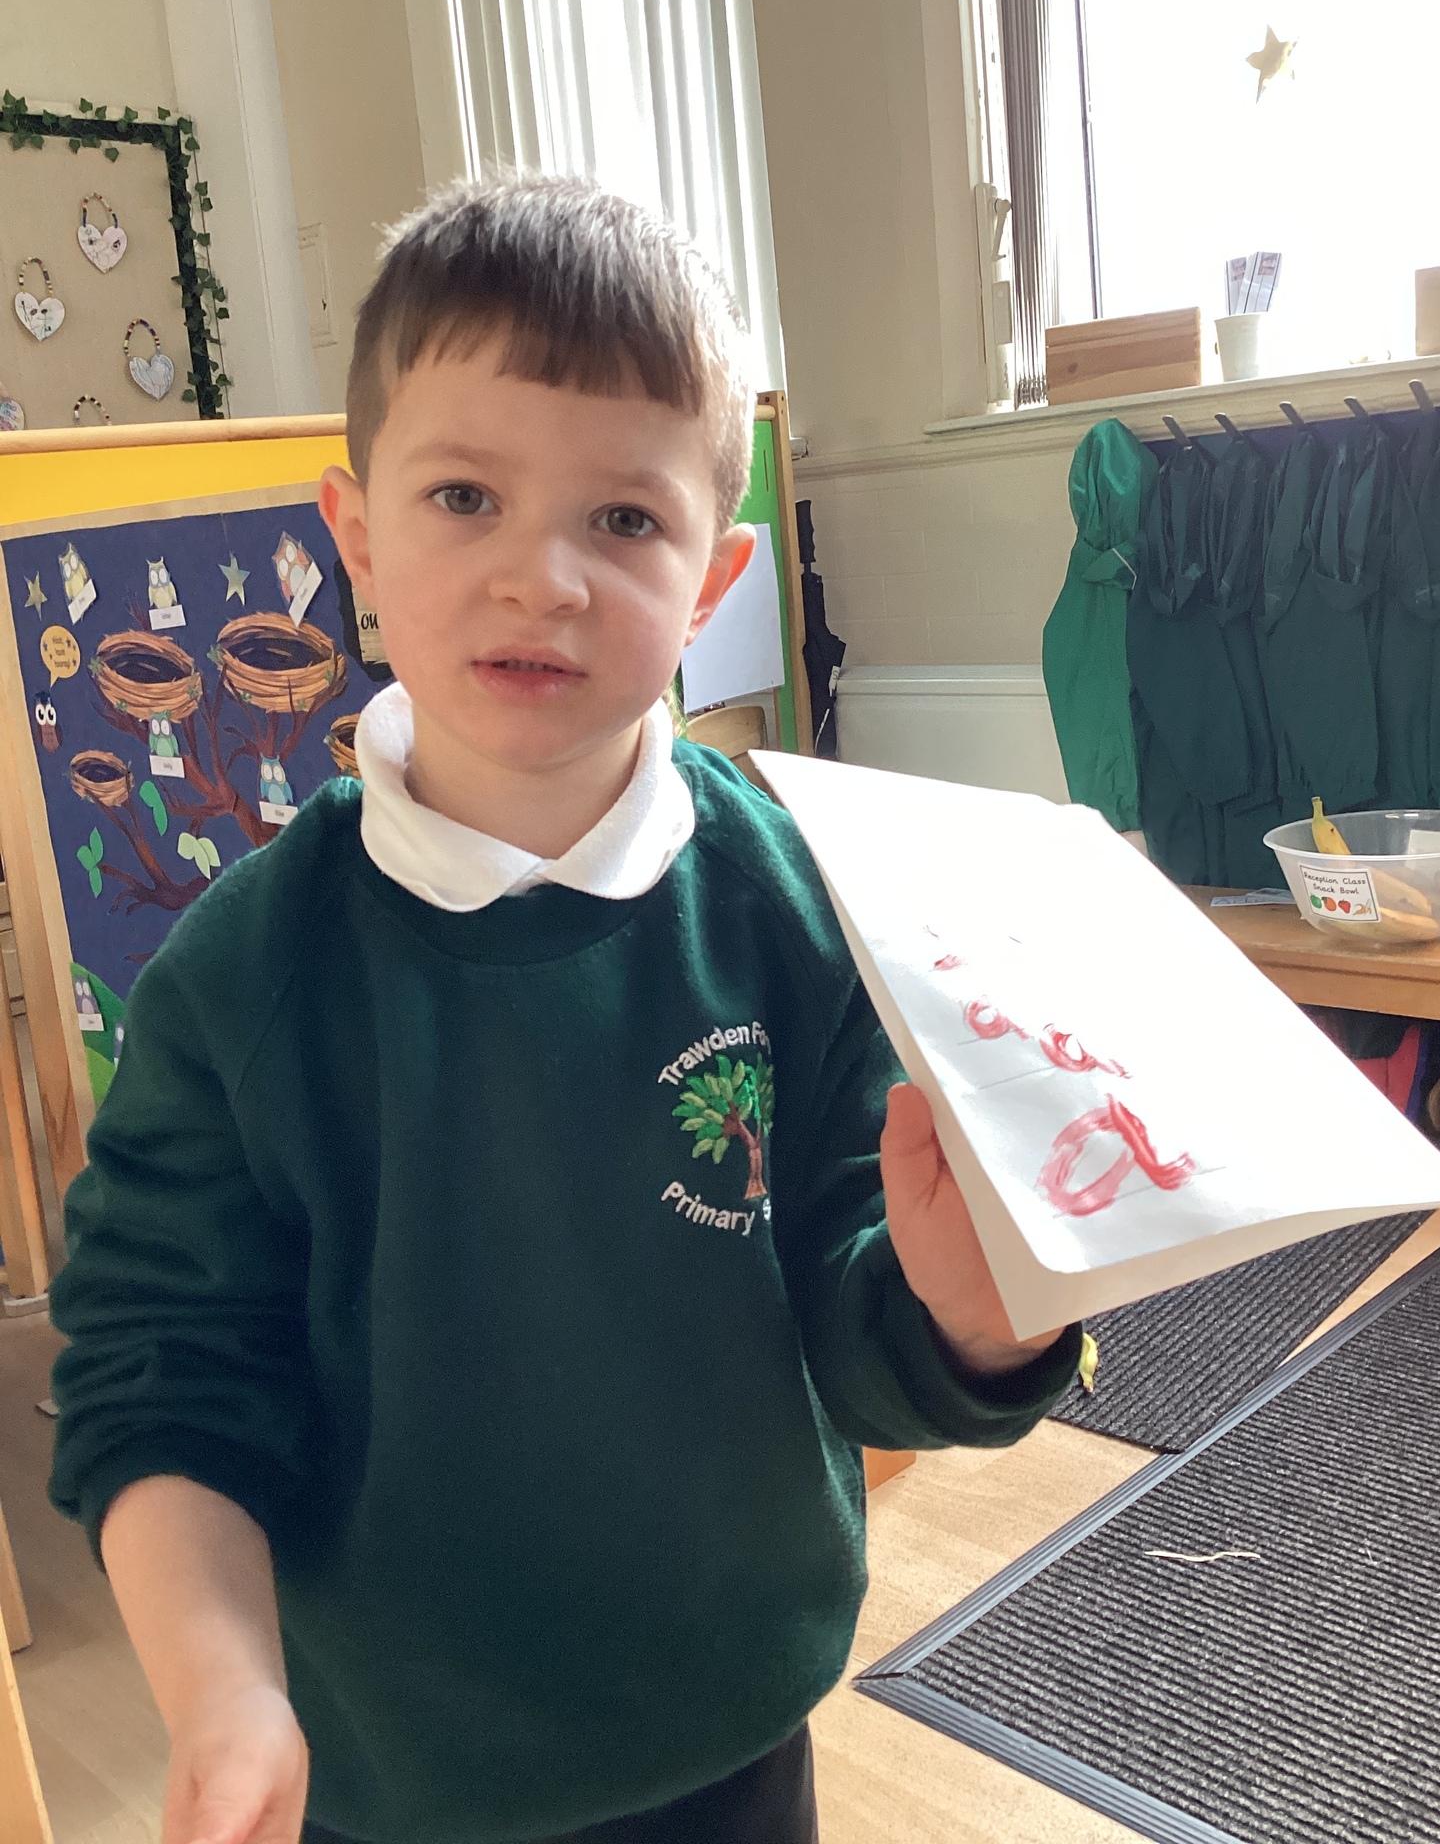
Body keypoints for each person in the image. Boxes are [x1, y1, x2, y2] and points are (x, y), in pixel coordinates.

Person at [48, 176, 1082, 1844]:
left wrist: (969, 1317)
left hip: (735, 1729)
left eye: (623, 521)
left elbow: (858, 1339)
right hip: (377, 1773)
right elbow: (160, 1381)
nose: (541, 578)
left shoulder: (793, 908)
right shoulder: (244, 980)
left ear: (713, 579)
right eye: (465, 496)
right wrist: (222, 1690)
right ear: (356, 534)